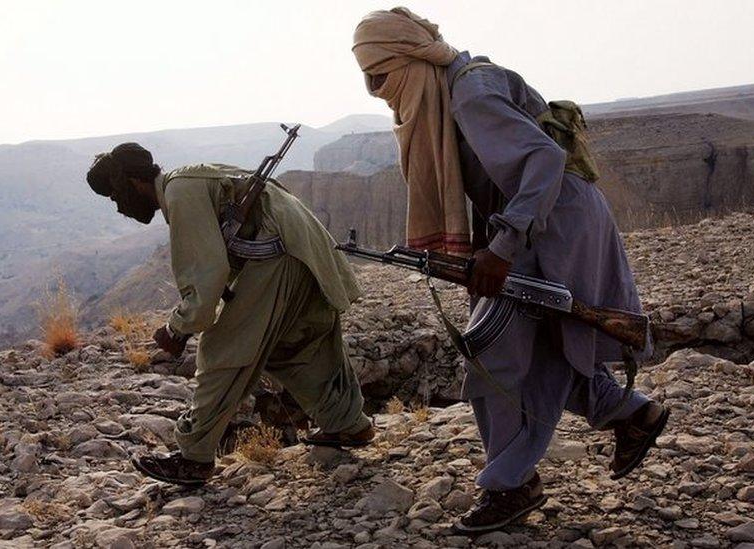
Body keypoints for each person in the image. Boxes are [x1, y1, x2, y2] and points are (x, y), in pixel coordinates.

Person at [352, 7, 669, 534]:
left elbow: (542, 161)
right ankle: (631, 413)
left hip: (552, 222)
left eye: (380, 76)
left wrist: (500, 250)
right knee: (544, 345)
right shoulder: (460, 86)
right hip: (541, 219)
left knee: (493, 354)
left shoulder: (469, 93)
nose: (376, 90)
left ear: (410, 58)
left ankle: (511, 485)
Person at [85, 143, 373, 486]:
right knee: (290, 348)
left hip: (280, 257)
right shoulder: (190, 177)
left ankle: (193, 458)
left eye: (116, 196)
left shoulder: (179, 193)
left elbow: (205, 279)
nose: (119, 207)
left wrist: (177, 329)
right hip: (303, 250)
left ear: (134, 183)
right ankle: (347, 423)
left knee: (222, 350)